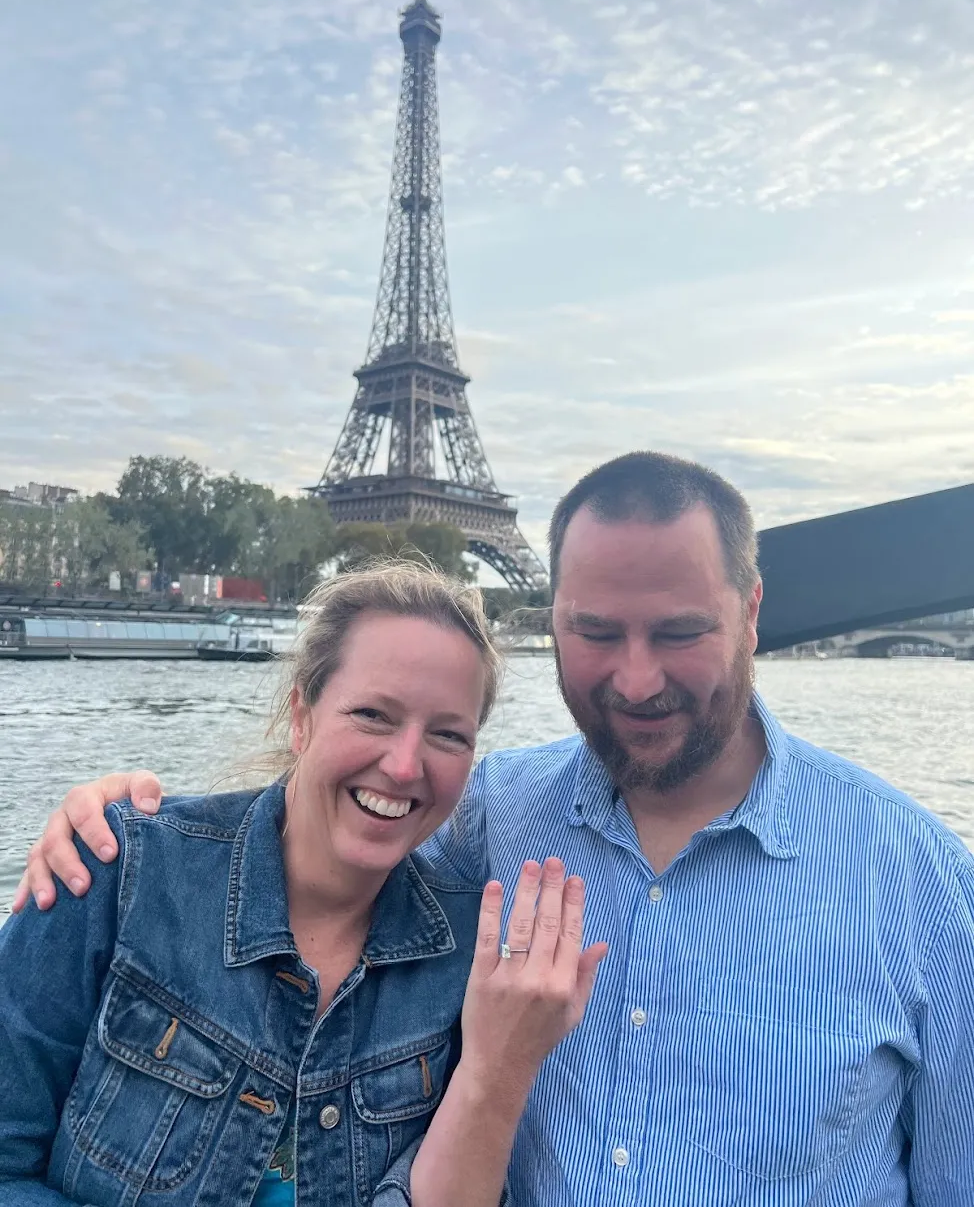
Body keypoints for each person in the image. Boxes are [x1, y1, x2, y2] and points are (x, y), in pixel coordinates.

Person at [16, 451, 974, 1206]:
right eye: (596, 632)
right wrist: (121, 823)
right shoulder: (482, 815)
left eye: (680, 632)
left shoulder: (922, 880)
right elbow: (324, 840)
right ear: (551, 621)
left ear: (752, 612)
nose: (636, 679)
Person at [0, 560, 608, 1206]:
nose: (404, 765)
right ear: (302, 717)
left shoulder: (465, 958)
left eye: (448, 734)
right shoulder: (118, 868)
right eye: (372, 714)